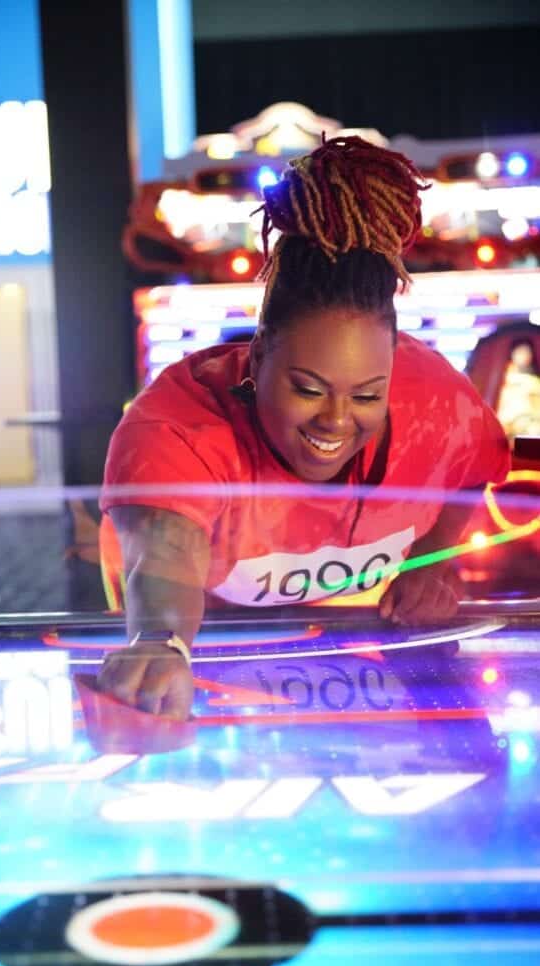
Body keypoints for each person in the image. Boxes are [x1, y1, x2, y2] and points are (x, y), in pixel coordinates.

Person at [97, 136, 510, 718]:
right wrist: (161, 645)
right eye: (308, 389)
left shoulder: (437, 401)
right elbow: (165, 553)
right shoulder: (175, 430)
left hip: (365, 689)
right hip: (217, 685)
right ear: (259, 354)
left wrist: (435, 560)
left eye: (368, 395)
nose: (337, 421)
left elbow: (472, 468)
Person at [495, 339, 540, 440]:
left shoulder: (535, 380)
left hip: (531, 428)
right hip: (509, 428)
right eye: (520, 352)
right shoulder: (503, 379)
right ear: (512, 353)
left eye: (527, 352)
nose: (524, 356)